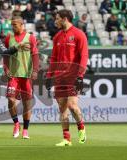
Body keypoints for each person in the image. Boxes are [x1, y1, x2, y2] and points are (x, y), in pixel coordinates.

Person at [45, 9, 88, 146]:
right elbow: (54, 58)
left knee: (72, 106)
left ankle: (81, 128)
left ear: (64, 19)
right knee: (62, 108)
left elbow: (84, 56)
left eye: (57, 18)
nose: (55, 21)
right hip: (59, 78)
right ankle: (66, 139)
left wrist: (80, 76)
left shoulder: (79, 34)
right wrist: (49, 76)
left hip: (73, 76)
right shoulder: (57, 37)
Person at [3, 16, 39, 139]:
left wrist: (35, 70)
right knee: (11, 100)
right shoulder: (9, 37)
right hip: (13, 75)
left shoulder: (31, 37)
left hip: (26, 75)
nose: (13, 27)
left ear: (22, 25)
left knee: (27, 103)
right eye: (12, 25)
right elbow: (5, 54)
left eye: (15, 25)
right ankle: (16, 124)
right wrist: (6, 69)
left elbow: (35, 55)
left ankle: (25, 130)